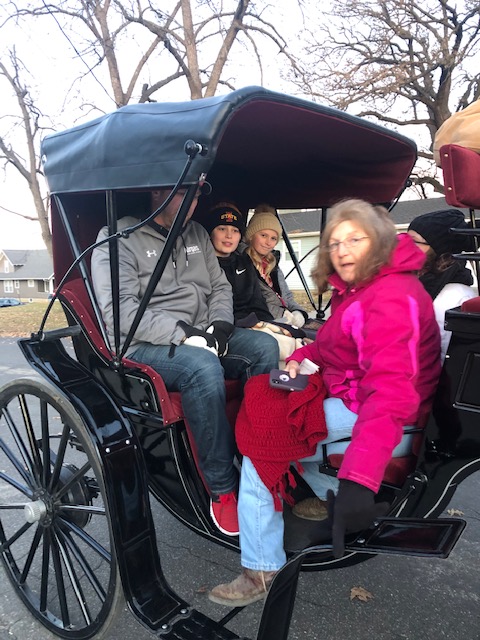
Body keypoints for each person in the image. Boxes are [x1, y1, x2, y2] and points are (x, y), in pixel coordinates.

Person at [208, 198, 441, 606]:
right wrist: (299, 359)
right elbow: (332, 343)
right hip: (347, 388)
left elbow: (389, 395)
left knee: (260, 432)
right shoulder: (362, 287)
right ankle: (322, 490)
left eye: (355, 239)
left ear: (380, 241)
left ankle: (261, 565)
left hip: (371, 406)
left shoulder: (390, 298)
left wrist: (360, 480)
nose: (344, 250)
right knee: (264, 388)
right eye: (335, 243)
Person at [91, 185, 279, 537]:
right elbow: (122, 314)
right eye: (184, 195)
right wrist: (185, 335)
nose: (192, 205)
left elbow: (220, 288)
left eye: (196, 197)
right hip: (143, 344)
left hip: (203, 332)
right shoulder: (118, 238)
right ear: (158, 192)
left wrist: (220, 326)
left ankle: (260, 461)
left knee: (264, 348)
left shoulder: (196, 235)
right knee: (201, 367)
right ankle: (222, 488)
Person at [408, 208, 476, 362]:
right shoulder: (416, 284)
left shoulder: (452, 297)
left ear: (439, 250)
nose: (406, 246)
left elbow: (434, 359)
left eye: (414, 241)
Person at [203, 202, 274, 326]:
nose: (229, 235)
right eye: (222, 229)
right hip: (220, 326)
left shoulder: (244, 261)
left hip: (254, 324)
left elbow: (258, 304)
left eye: (235, 230)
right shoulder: (201, 264)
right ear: (210, 233)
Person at [244, 203, 309, 329]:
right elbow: (253, 302)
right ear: (251, 235)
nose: (268, 242)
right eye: (263, 235)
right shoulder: (242, 264)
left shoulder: (272, 264)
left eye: (273, 238)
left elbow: (287, 296)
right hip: (264, 321)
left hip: (284, 319)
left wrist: (299, 312)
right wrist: (282, 314)